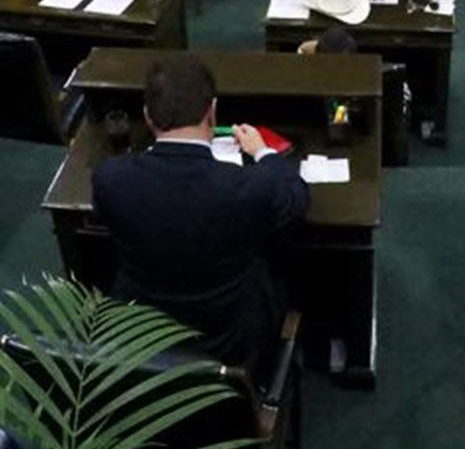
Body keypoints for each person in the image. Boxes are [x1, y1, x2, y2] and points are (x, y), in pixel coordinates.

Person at [90, 55, 308, 372]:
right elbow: (296, 199)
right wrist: (264, 152)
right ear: (212, 111)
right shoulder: (248, 187)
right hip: (227, 348)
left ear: (148, 116)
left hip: (139, 344)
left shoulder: (110, 178)